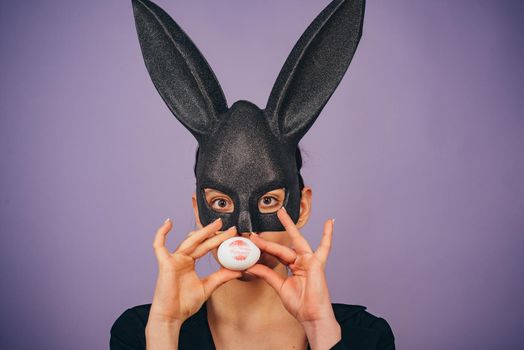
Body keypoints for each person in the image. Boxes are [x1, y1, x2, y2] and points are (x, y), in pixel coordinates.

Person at [111, 0, 395, 348]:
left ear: (302, 207)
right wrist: (165, 327)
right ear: (199, 211)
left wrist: (321, 328)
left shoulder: (364, 336)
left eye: (268, 200)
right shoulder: (142, 332)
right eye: (220, 201)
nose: (244, 228)